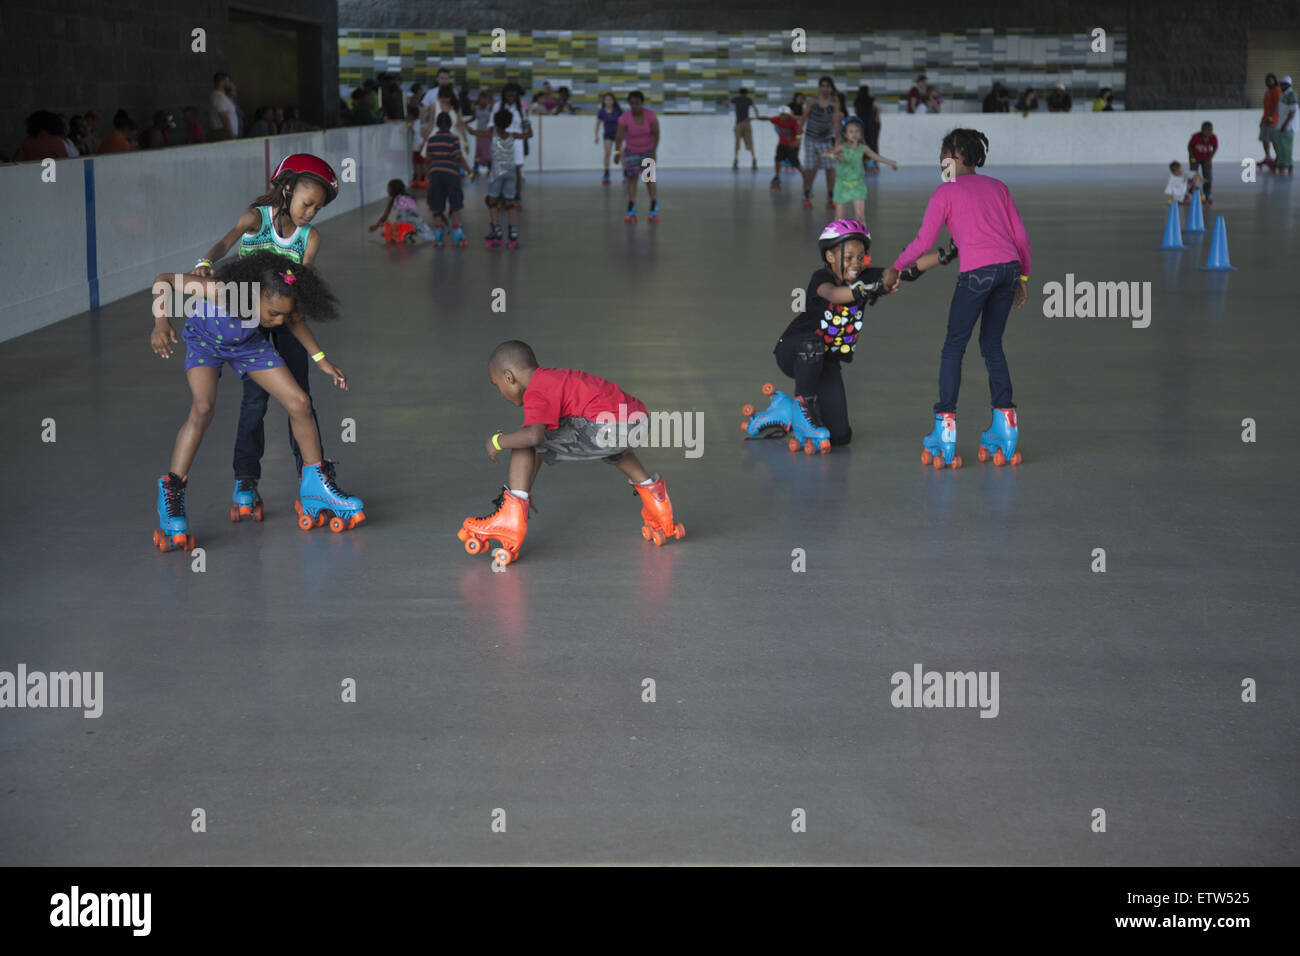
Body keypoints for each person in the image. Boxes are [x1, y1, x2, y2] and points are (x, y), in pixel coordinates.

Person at [149, 253, 363, 550]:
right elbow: (164, 281)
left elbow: (295, 322)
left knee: (299, 402)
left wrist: (322, 360)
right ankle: (171, 493)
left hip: (248, 347)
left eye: (282, 316)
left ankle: (316, 486)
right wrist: (161, 323)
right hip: (205, 344)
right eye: (273, 313)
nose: (278, 322)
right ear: (254, 293)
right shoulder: (222, 290)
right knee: (203, 408)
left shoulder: (278, 310)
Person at [192, 153, 342, 519]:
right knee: (255, 401)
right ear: (287, 188)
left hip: (286, 319)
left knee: (300, 399)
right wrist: (206, 263)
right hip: (249, 321)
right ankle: (245, 481)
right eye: (307, 203)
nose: (310, 213)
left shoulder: (310, 238)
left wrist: (321, 358)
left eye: (317, 208)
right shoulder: (255, 219)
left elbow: (298, 288)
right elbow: (225, 243)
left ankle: (313, 478)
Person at [456, 340, 684, 566]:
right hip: (637, 422)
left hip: (607, 427)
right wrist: (525, 492)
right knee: (614, 450)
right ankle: (657, 500)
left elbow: (533, 438)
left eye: (497, 386)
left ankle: (511, 518)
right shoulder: (554, 378)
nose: (502, 393)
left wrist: (497, 441)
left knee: (523, 437)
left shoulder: (536, 391)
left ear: (509, 377)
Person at [883, 129, 1032, 470]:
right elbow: (1020, 237)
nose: (941, 162)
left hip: (977, 273)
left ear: (961, 155)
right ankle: (1005, 426)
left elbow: (923, 242)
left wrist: (895, 267)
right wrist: (1021, 278)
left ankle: (945, 428)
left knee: (954, 346)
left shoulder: (945, 192)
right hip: (1008, 268)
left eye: (945, 155)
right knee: (992, 346)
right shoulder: (998, 187)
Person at [743, 220, 952, 453]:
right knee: (812, 345)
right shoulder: (821, 279)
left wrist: (946, 254)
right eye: (849, 257)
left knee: (840, 436)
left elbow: (904, 272)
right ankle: (804, 410)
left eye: (861, 257)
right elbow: (834, 295)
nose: (856, 263)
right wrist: (865, 289)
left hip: (826, 361)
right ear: (830, 257)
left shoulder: (866, 276)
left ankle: (786, 409)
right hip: (794, 351)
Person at [470, 109, 529, 248]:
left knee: (492, 201)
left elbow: (474, 132)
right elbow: (528, 135)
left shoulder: (492, 134)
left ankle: (496, 231)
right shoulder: (513, 135)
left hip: (497, 173)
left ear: (495, 122)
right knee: (510, 203)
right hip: (511, 171)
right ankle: (513, 234)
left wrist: (463, 125)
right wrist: (528, 125)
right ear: (509, 123)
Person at [824, 116, 897, 221]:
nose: (854, 134)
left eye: (857, 131)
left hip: (857, 184)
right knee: (839, 217)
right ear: (845, 133)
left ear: (861, 133)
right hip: (842, 185)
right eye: (851, 131)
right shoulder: (842, 147)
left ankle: (862, 236)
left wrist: (891, 162)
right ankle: (838, 236)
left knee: (860, 216)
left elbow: (875, 156)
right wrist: (835, 156)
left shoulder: (863, 147)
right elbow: (827, 153)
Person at [423, 112, 473, 246]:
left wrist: (427, 176)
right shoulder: (454, 139)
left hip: (435, 174)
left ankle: (438, 238)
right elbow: (458, 157)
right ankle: (457, 237)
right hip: (451, 175)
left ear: (437, 125)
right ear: (450, 125)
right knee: (455, 205)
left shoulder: (432, 140)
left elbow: (428, 160)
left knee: (437, 207)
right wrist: (470, 172)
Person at [614, 90, 660, 222]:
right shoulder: (625, 118)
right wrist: (617, 153)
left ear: (642, 103)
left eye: (638, 103)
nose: (635, 106)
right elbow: (619, 137)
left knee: (649, 179)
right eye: (632, 104)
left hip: (647, 150)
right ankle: (631, 207)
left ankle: (653, 206)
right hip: (631, 152)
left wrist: (653, 151)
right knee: (632, 179)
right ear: (629, 104)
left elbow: (656, 134)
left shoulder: (650, 115)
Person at [799, 76, 843, 208]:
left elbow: (836, 122)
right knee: (811, 167)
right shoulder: (813, 100)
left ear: (831, 88)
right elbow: (805, 115)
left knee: (830, 167)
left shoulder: (834, 102)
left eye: (828, 86)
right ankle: (806, 193)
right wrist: (798, 132)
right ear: (820, 87)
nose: (825, 89)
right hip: (811, 138)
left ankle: (831, 196)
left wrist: (837, 141)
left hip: (825, 139)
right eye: (823, 86)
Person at [492, 82, 531, 200]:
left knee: (518, 168)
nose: (511, 98)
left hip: (517, 141)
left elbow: (525, 123)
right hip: (502, 139)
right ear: (504, 95)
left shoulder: (519, 107)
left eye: (513, 96)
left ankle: (517, 195)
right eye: (508, 96)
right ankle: (501, 195)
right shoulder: (498, 106)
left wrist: (527, 126)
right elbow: (492, 124)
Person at [369, 179, 436, 243]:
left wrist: (376, 226)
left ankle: (406, 234)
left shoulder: (392, 200)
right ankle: (412, 232)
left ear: (393, 190)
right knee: (428, 235)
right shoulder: (408, 196)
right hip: (415, 219)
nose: (387, 190)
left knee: (400, 231)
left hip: (403, 221)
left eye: (388, 188)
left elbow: (385, 216)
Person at [758, 105, 802, 189]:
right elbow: (766, 118)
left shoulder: (793, 122)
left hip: (792, 145)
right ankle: (777, 177)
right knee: (777, 159)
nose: (782, 117)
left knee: (795, 163)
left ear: (789, 115)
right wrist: (755, 118)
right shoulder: (777, 119)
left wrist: (798, 141)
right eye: (781, 115)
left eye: (784, 115)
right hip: (782, 144)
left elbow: (799, 133)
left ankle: (805, 177)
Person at [723, 87, 758, 170]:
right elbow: (755, 109)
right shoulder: (748, 99)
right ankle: (753, 159)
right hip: (746, 123)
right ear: (746, 93)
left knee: (737, 143)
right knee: (750, 142)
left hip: (738, 123)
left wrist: (726, 105)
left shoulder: (736, 99)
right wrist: (754, 118)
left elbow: (726, 103)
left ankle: (735, 160)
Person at [594, 92, 622, 184]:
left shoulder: (617, 111)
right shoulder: (602, 111)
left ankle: (626, 173)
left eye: (610, 99)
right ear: (604, 101)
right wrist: (596, 136)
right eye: (607, 100)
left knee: (619, 153)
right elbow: (598, 124)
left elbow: (623, 124)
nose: (608, 101)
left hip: (617, 136)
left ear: (613, 101)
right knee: (607, 152)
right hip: (608, 136)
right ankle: (606, 173)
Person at [1188, 121, 1218, 201]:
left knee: (1208, 176)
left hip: (1206, 158)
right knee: (1193, 175)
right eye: (1207, 130)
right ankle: (1191, 193)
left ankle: (1207, 193)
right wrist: (1192, 158)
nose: (1209, 132)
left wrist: (1210, 159)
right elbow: (1190, 147)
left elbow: (1215, 147)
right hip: (1195, 158)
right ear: (1202, 130)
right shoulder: (1196, 137)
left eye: (1211, 130)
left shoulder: (1213, 137)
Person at [853, 85, 882, 160]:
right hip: (870, 122)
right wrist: (876, 117)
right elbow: (879, 107)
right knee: (871, 141)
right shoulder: (871, 99)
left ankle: (861, 160)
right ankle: (871, 160)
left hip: (860, 123)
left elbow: (855, 111)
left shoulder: (857, 100)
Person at [472, 88, 495, 179]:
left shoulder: (490, 107)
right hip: (478, 133)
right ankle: (476, 169)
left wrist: (492, 132)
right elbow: (474, 118)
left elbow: (493, 119)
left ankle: (490, 169)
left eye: (485, 99)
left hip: (487, 133)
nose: (483, 100)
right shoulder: (476, 108)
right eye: (481, 99)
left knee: (487, 152)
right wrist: (465, 122)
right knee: (478, 152)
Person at [1276, 76, 1298, 175]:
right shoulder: (1283, 94)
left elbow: (1292, 111)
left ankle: (1288, 166)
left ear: (1289, 85)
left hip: (1288, 126)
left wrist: (1285, 124)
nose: (1282, 86)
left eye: (1284, 84)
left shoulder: (1292, 95)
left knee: (1287, 147)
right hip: (1281, 125)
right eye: (1281, 84)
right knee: (1281, 146)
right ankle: (1281, 165)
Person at [208, 72, 239, 141]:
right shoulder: (218, 97)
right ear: (223, 82)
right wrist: (231, 135)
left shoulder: (222, 96)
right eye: (228, 81)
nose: (230, 84)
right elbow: (223, 116)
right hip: (224, 134)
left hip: (225, 133)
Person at [1259, 74, 1281, 170]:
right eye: (1267, 80)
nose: (1269, 82)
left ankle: (1279, 158)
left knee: (1274, 140)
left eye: (1271, 80)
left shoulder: (1277, 90)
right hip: (1265, 119)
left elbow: (1277, 105)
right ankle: (1268, 157)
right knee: (1265, 139)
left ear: (1274, 81)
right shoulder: (1268, 91)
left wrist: (1271, 118)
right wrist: (1263, 120)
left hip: (1273, 121)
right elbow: (1266, 108)